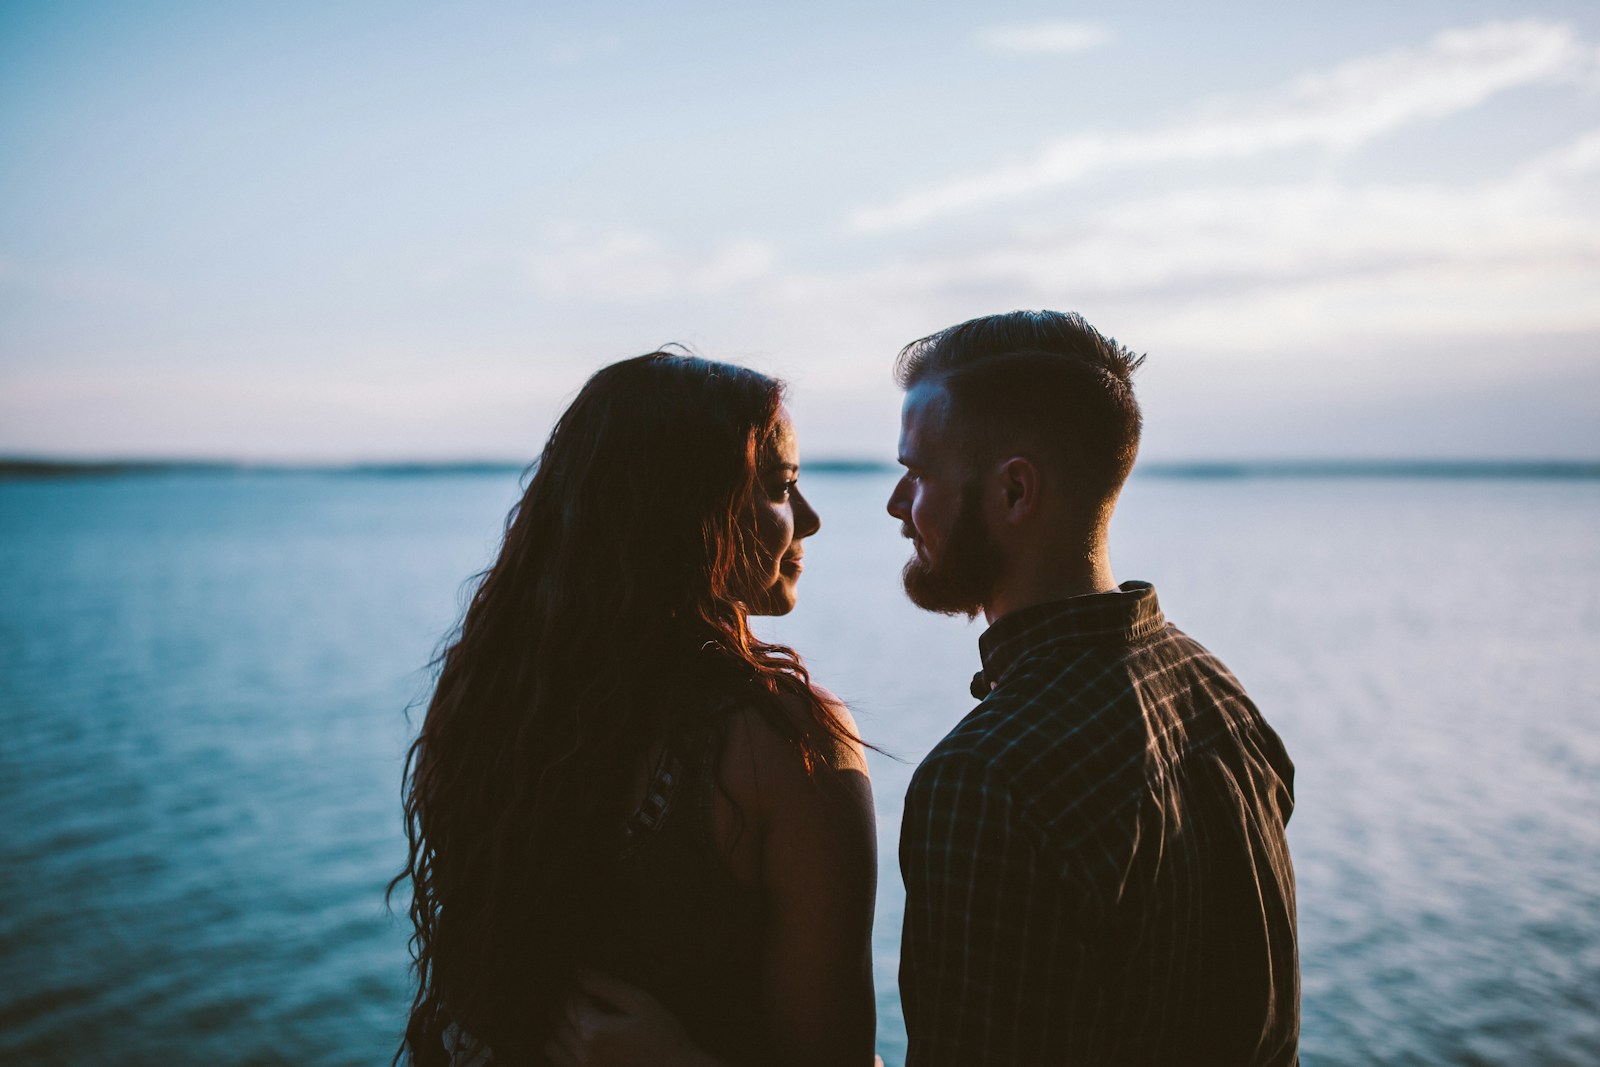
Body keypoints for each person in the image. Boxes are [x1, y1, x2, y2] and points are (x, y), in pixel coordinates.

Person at [392, 352, 878, 1066]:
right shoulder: (791, 745)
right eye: (782, 488)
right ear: (692, 512)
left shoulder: (486, 705)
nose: (810, 519)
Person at [887, 309, 1299, 1065]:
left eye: (917, 474)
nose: (895, 505)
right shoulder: (1220, 694)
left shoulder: (985, 778)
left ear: (1015, 492)